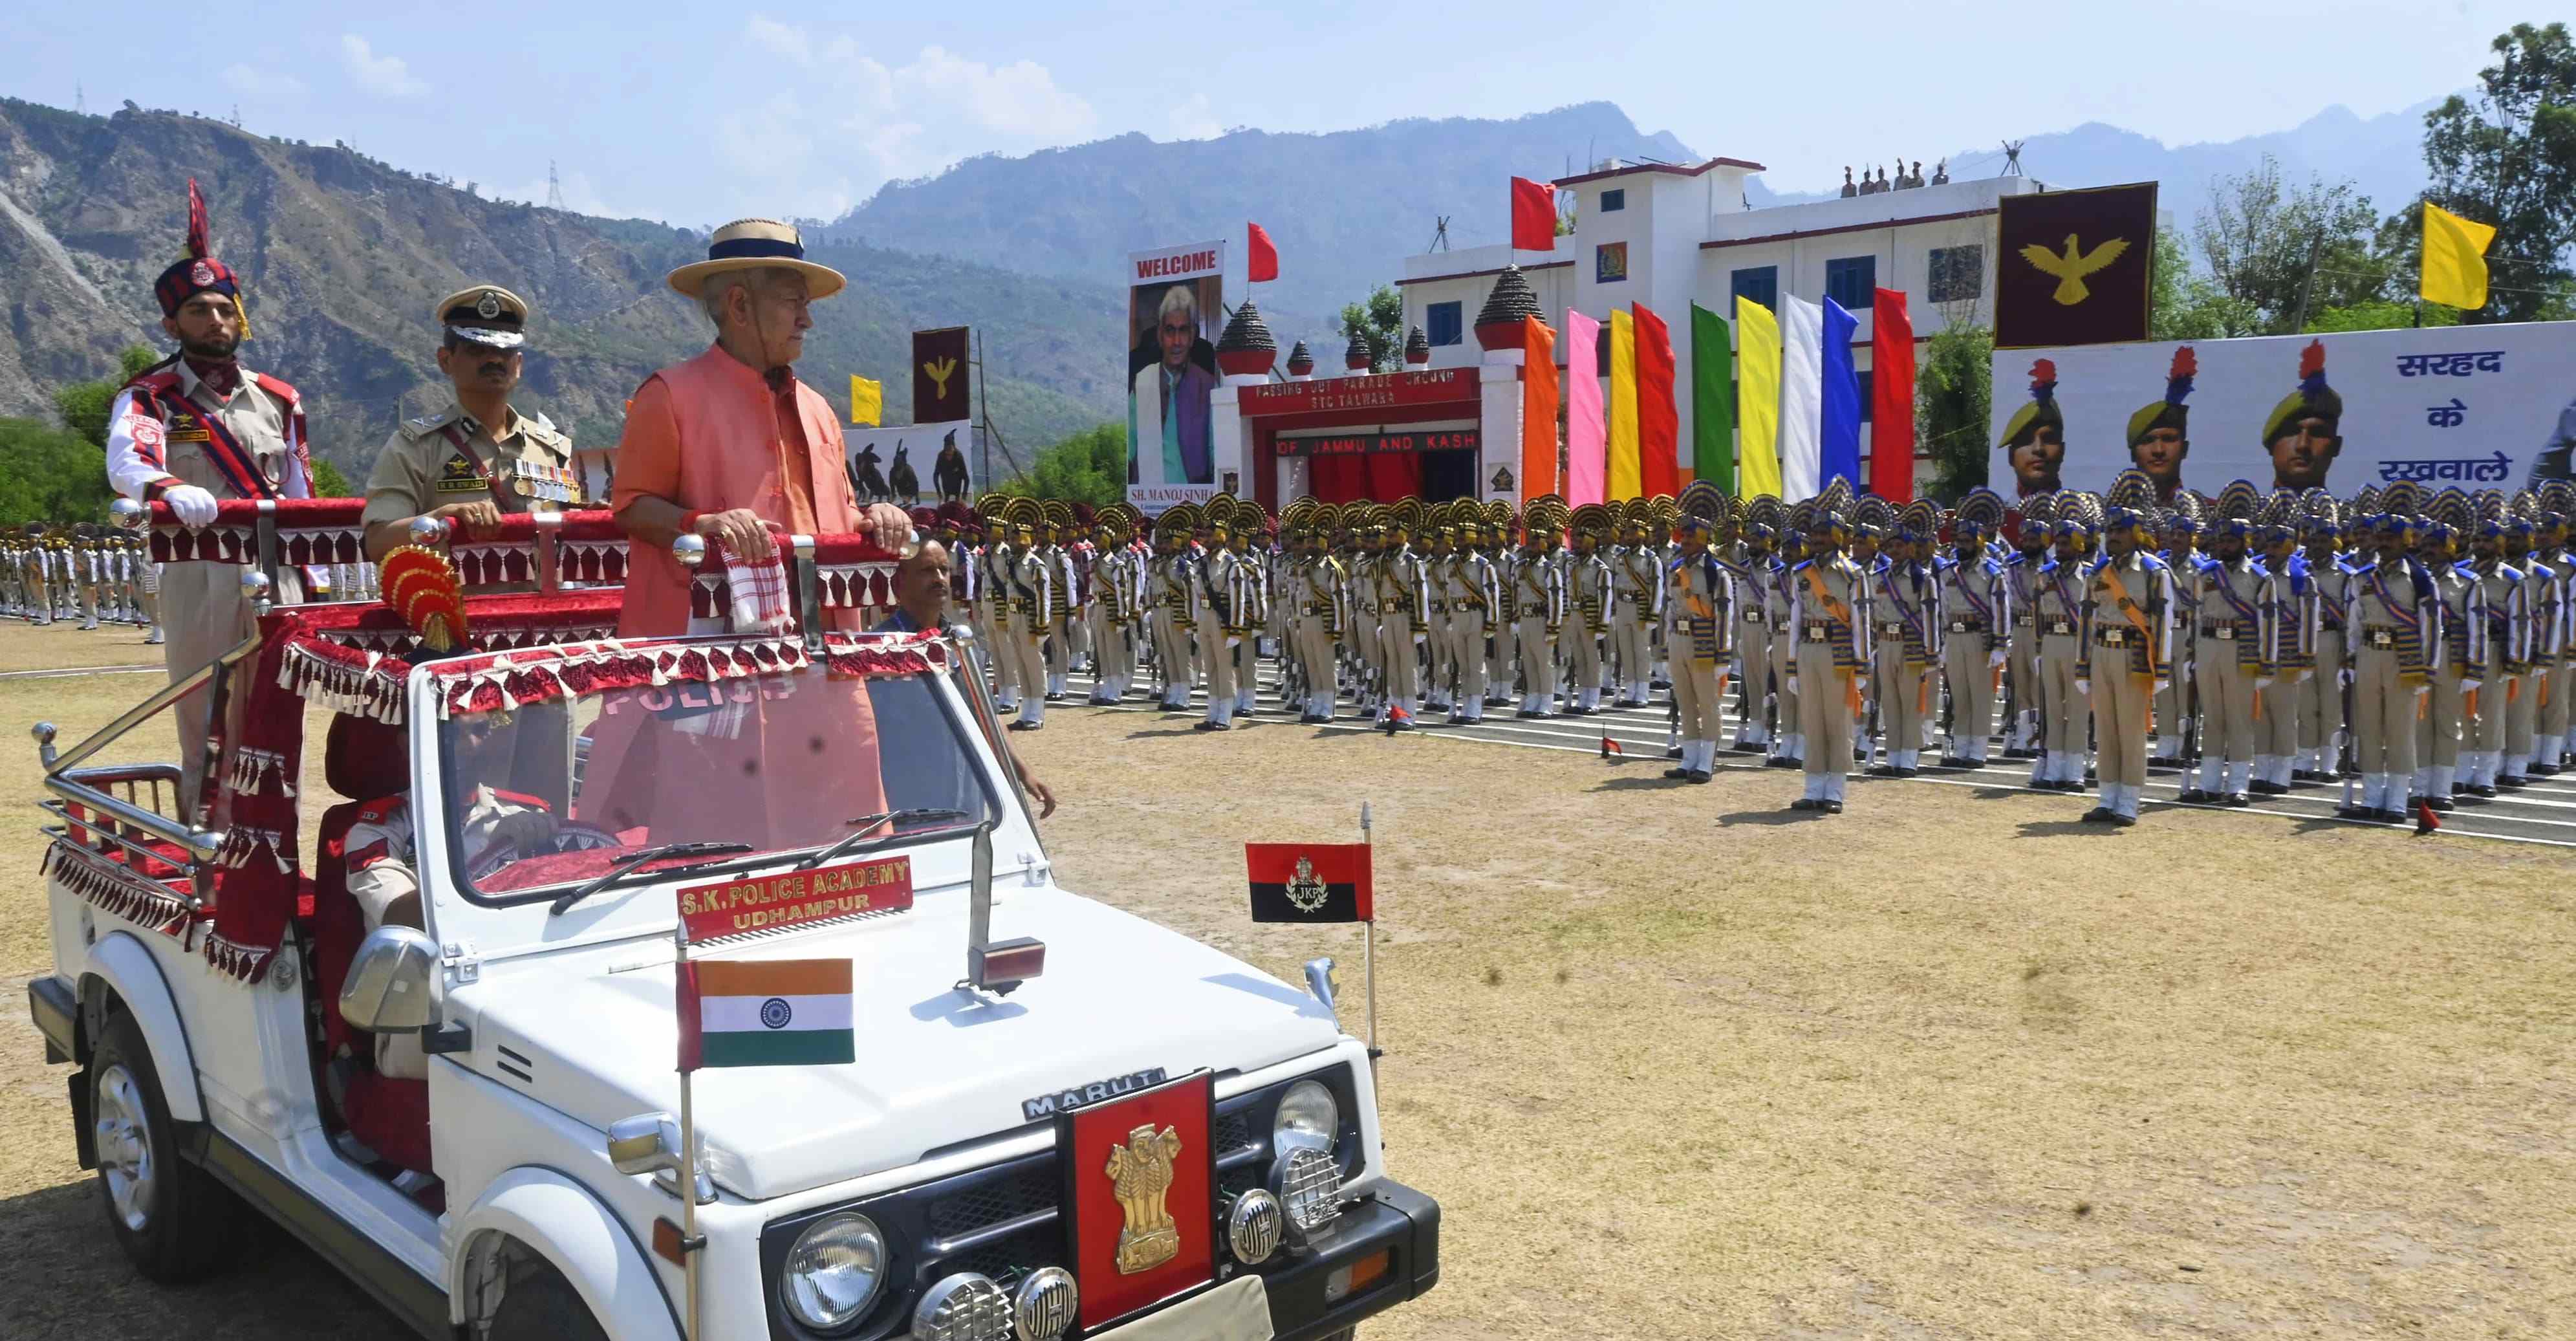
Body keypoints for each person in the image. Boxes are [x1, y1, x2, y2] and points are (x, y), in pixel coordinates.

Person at [105, 180, 316, 813]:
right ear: (172, 322)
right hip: (198, 572)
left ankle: (275, 866)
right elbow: (129, 460)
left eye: (225, 309)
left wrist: (319, 574)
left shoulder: (279, 398)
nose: (216, 321)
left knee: (280, 720)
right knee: (207, 722)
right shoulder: (150, 395)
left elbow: (301, 489)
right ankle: (214, 868)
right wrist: (167, 486)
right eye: (199, 310)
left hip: (276, 575)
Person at [608, 219, 909, 638]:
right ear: (740, 306)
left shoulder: (819, 409)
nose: (807, 321)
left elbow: (839, 515)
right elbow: (631, 507)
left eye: (806, 305)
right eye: (793, 303)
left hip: (827, 655)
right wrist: (701, 523)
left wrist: (877, 518)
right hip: (712, 660)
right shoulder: (667, 397)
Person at [362, 286, 580, 561]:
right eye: (477, 349)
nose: (494, 359)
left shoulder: (552, 448)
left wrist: (595, 518)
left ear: (519, 363)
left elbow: (571, 533)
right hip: (453, 602)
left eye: (506, 350)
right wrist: (439, 520)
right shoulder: (413, 447)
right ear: (446, 360)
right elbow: (378, 542)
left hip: (542, 602)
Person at [876, 538, 1058, 818]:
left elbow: (985, 715)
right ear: (900, 581)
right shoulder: (881, 646)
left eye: (944, 570)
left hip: (965, 788)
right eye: (927, 571)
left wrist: (1023, 773)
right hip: (907, 793)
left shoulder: (959, 642)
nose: (939, 579)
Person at [2077, 508, 2173, 825]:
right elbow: (2086, 620)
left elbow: (2163, 622)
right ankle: (2106, 799)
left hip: (2134, 656)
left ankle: (2129, 802)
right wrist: (2082, 665)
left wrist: (2161, 668)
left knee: (2131, 732)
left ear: (2137, 534)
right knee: (2105, 730)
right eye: (2110, 530)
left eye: (2120, 530)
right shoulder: (2097, 572)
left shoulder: (2153, 572)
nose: (2113, 536)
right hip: (2103, 652)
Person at [1787, 510, 1870, 812]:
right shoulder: (1801, 573)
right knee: (1811, 720)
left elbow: (1862, 621)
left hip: (1839, 653)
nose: (1817, 539)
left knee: (1838, 723)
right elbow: (1795, 619)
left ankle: (1835, 791)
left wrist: (1861, 666)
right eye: (1814, 534)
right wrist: (1792, 664)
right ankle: (1812, 788)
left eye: (1823, 533)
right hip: (1809, 649)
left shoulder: (1853, 573)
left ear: (1836, 536)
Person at [1937, 494, 2010, 767]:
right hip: (1954, 638)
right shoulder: (1948, 572)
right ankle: (1961, 748)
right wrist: (1943, 643)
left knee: (1981, 695)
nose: (1962, 547)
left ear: (1979, 542)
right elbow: (1943, 608)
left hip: (1980, 639)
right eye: (1959, 542)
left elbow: (2001, 609)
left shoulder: (1993, 572)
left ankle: (1977, 750)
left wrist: (2000, 645)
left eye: (1967, 542)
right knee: (1959, 693)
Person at [1663, 514, 1733, 783]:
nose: (1686, 541)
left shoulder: (1717, 572)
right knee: (1685, 701)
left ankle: (1706, 761)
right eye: (1684, 536)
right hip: (1679, 639)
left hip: (1704, 642)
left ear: (1704, 540)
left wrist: (1722, 655)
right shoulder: (1676, 569)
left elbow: (1725, 615)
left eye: (1691, 537)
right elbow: (1669, 607)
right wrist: (1666, 645)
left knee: (1708, 703)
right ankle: (1689, 758)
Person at [1129, 284, 1217, 486]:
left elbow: (1215, 453)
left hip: (1195, 503)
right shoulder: (1143, 380)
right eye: (1170, 331)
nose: (1177, 341)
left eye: (1183, 331)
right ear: (1160, 335)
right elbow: (1129, 447)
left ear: (1193, 335)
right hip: (1149, 502)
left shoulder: (1208, 385)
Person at [2262, 340, 2341, 492]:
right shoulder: (2229, 515)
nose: (2303, 445)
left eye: (2318, 433)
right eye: (2291, 432)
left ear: (2336, 447)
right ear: (2271, 444)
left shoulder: (2354, 516)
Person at [2126, 347, 2194, 504]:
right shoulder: (2112, 519)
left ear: (2185, 449)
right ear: (2132, 454)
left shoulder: (2211, 516)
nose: (2158, 450)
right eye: (2147, 441)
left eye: (2169, 439)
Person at [1998, 361, 2066, 497]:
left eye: (2049, 439)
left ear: (2063, 451)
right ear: (2011, 456)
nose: (2039, 449)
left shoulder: (2082, 514)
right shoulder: (1996, 517)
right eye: (2025, 441)